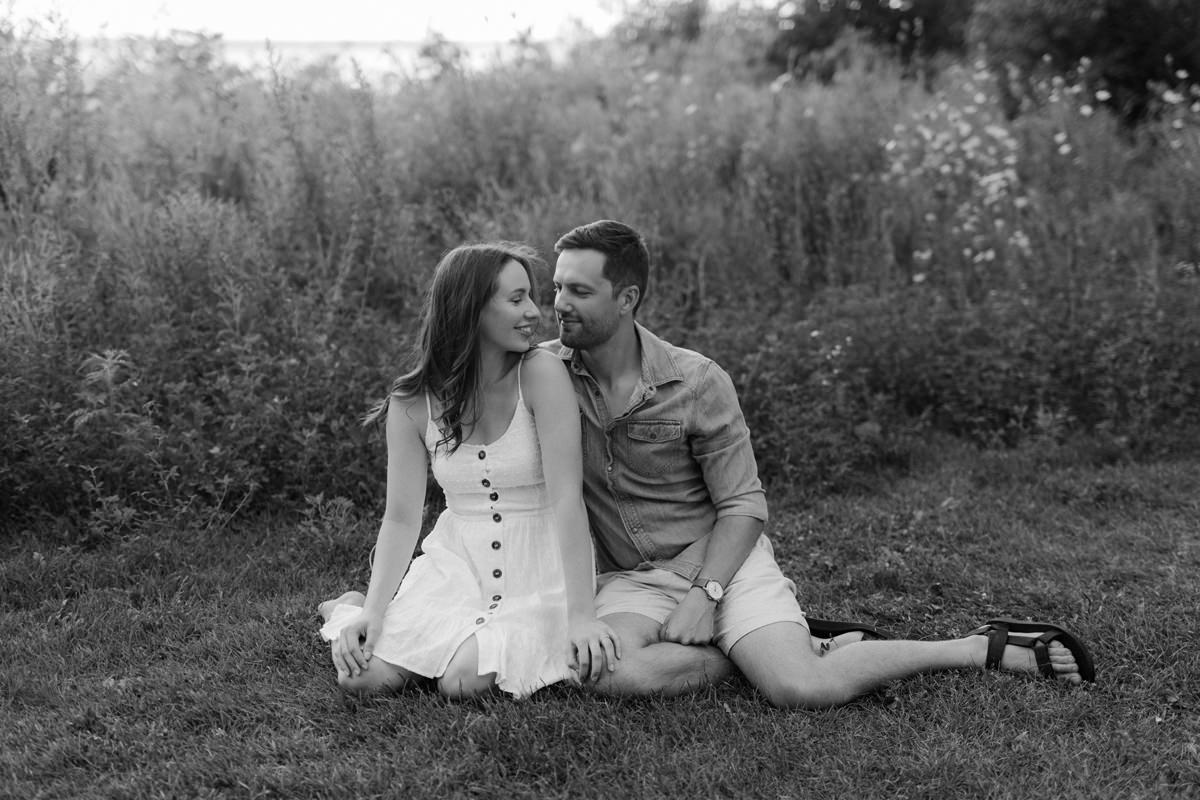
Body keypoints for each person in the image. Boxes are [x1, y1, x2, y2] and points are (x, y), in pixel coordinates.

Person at [544, 219, 1096, 708]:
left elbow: (743, 505)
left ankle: (975, 647)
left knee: (800, 689)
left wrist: (703, 597)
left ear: (626, 297)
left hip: (718, 565)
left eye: (579, 290)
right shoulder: (545, 376)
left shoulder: (695, 382)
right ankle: (766, 649)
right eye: (556, 287)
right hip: (631, 580)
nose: (559, 303)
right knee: (604, 671)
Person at [318, 242, 618, 700]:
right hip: (457, 565)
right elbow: (400, 519)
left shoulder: (542, 374)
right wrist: (376, 611)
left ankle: (402, 629)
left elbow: (567, 502)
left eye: (531, 297)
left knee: (461, 683)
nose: (535, 313)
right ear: (470, 309)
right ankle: (352, 609)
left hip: (538, 566)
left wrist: (581, 615)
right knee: (359, 679)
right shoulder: (411, 402)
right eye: (516, 299)